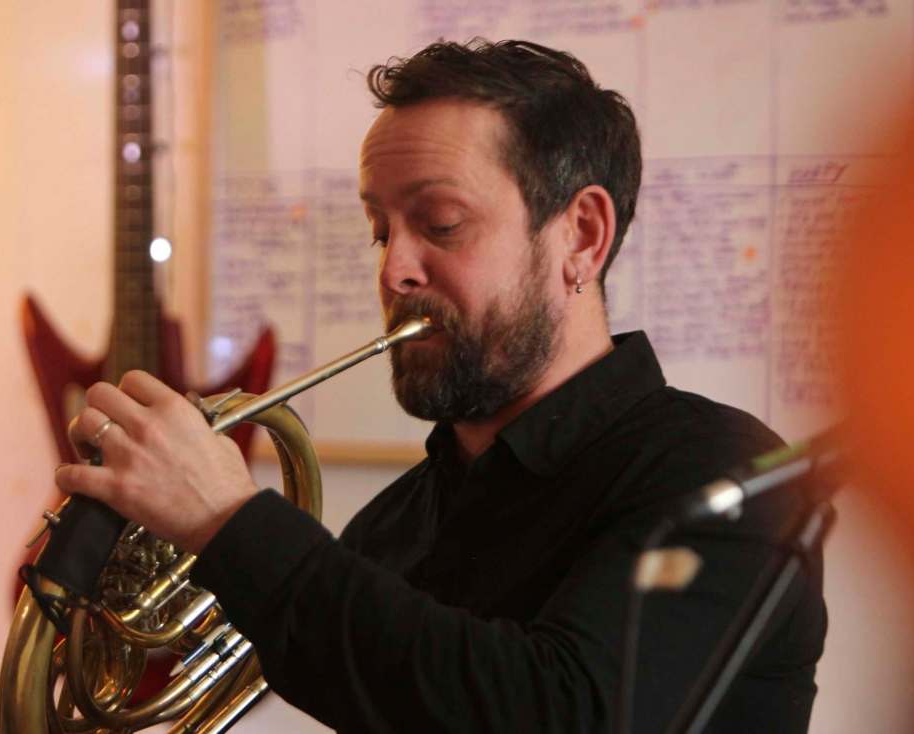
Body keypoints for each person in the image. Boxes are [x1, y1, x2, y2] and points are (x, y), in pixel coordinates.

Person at [55, 39, 826, 733]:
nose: (393, 270)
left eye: (442, 223)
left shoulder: (725, 477)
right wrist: (97, 588)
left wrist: (225, 520)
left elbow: (561, 711)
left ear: (581, 236)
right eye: (380, 230)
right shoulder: (396, 525)